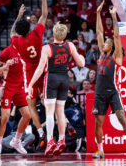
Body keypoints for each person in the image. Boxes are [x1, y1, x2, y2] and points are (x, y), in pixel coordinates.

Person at [28, 22, 85, 156]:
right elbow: (81, 63)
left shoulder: (47, 48)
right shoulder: (70, 45)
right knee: (60, 111)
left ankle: (49, 142)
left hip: (52, 78)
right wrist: (80, 56)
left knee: (49, 112)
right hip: (65, 79)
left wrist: (30, 84)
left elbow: (40, 69)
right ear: (65, 35)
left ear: (53, 34)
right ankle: (61, 139)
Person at [92, 1, 126, 159]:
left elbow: (117, 36)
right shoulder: (101, 54)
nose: (104, 43)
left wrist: (113, 17)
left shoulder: (115, 56)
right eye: (104, 42)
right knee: (98, 123)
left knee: (122, 119)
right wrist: (98, 14)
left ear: (112, 46)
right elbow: (99, 32)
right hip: (99, 94)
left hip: (112, 92)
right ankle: (100, 150)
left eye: (107, 42)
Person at [10, 0, 49, 151]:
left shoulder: (17, 41)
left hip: (30, 73)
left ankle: (40, 132)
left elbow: (12, 32)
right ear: (30, 28)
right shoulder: (36, 35)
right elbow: (45, 15)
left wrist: (19, 16)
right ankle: (54, 131)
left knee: (31, 105)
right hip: (42, 68)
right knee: (49, 102)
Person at [0, 45, 31, 158]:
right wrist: (6, 65)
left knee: (27, 115)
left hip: (20, 87)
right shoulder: (6, 52)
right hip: (7, 87)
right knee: (5, 118)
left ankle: (16, 140)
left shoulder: (26, 49)